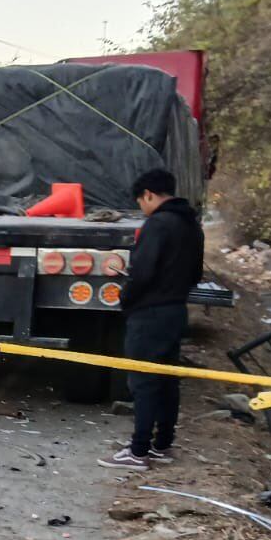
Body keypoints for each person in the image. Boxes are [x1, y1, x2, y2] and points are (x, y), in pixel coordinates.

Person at [98, 166, 204, 472]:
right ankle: (162, 444)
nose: (141, 209)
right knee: (168, 380)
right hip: (176, 311)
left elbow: (142, 272)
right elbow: (195, 273)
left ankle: (137, 451)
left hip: (149, 314)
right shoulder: (192, 225)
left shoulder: (157, 225)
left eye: (140, 202)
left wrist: (126, 297)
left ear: (148, 195)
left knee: (143, 381)